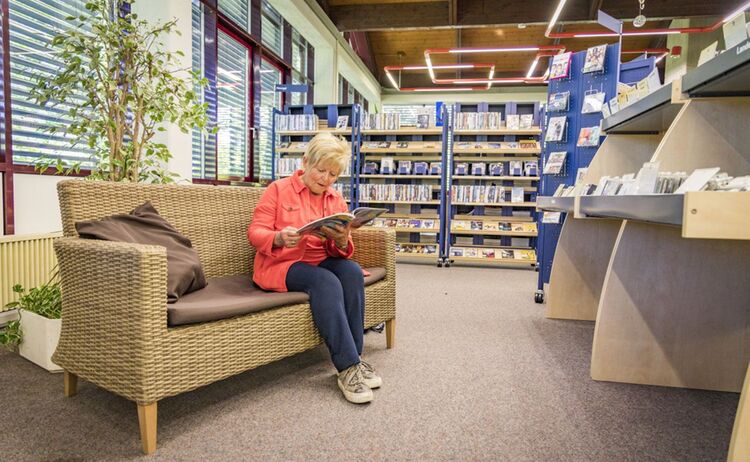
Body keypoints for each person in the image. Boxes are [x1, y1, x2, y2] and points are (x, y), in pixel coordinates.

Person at [247, 132, 381, 404]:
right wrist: (278, 237)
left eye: (333, 175)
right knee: (326, 282)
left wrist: (342, 239)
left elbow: (342, 252)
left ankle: (355, 360)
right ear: (306, 161)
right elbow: (255, 232)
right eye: (321, 170)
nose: (326, 179)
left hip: (321, 259)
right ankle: (346, 367)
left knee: (352, 272)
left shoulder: (335, 199)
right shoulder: (278, 189)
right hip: (284, 264)